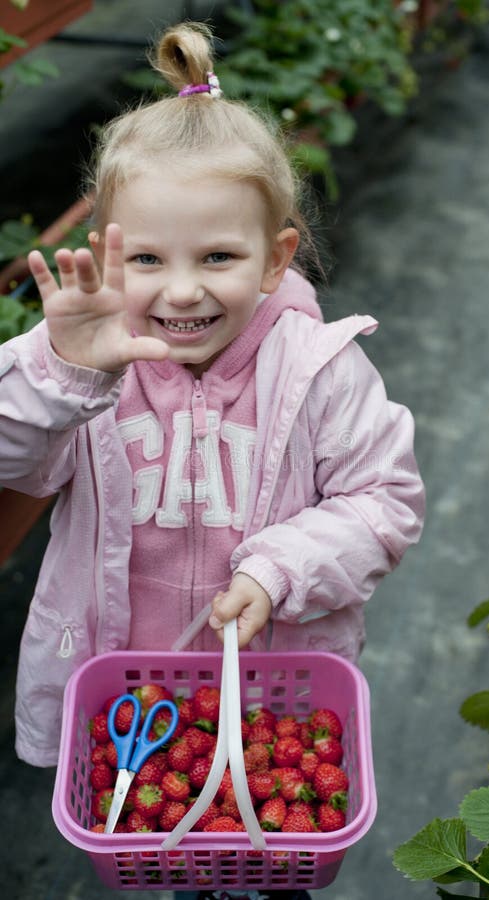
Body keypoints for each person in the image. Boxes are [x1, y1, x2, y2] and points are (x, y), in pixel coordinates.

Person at [0, 21, 424, 900]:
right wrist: (63, 369)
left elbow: (384, 499)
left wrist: (278, 567)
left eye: (219, 257)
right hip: (130, 690)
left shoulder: (319, 373)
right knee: (153, 849)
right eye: (148, 259)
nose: (183, 290)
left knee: (270, 852)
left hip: (271, 688)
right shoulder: (85, 366)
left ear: (274, 259)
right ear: (110, 250)